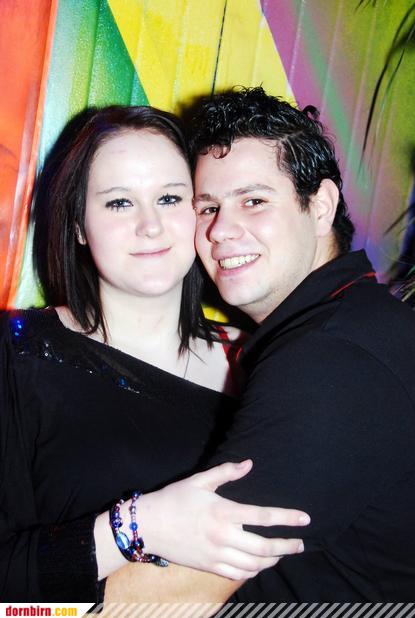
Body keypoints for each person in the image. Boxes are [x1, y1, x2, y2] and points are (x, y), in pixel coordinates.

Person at [111, 87, 415, 603]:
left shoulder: (334, 359)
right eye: (208, 207)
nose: (221, 231)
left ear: (320, 207)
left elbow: (168, 598)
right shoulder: (352, 324)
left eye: (253, 201)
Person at [0, 104, 310, 603]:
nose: (150, 225)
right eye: (119, 203)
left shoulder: (267, 362)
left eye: (169, 198)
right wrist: (138, 525)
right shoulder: (17, 354)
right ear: (78, 225)